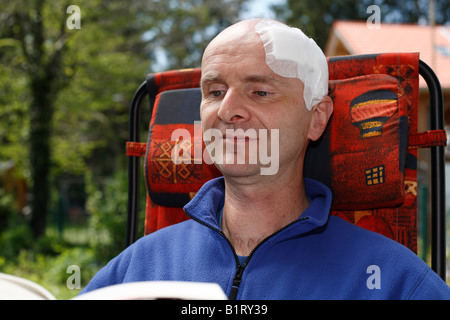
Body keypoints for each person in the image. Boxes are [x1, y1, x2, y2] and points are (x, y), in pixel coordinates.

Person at [80, 18, 450, 299]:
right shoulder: (136, 270)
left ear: (317, 118)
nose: (228, 110)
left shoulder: (393, 281)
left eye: (259, 92)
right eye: (215, 91)